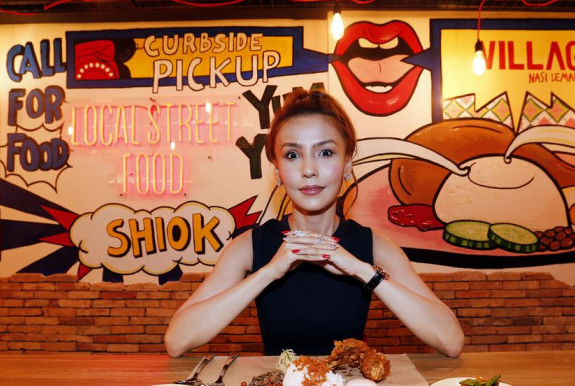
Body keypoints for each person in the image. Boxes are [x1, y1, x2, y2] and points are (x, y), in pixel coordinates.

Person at [165, 88, 464, 357]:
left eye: (325, 152)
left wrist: (362, 271)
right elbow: (177, 341)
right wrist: (268, 272)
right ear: (278, 171)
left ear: (347, 163)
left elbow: (451, 341)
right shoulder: (250, 246)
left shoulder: (374, 246)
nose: (309, 170)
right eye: (292, 155)